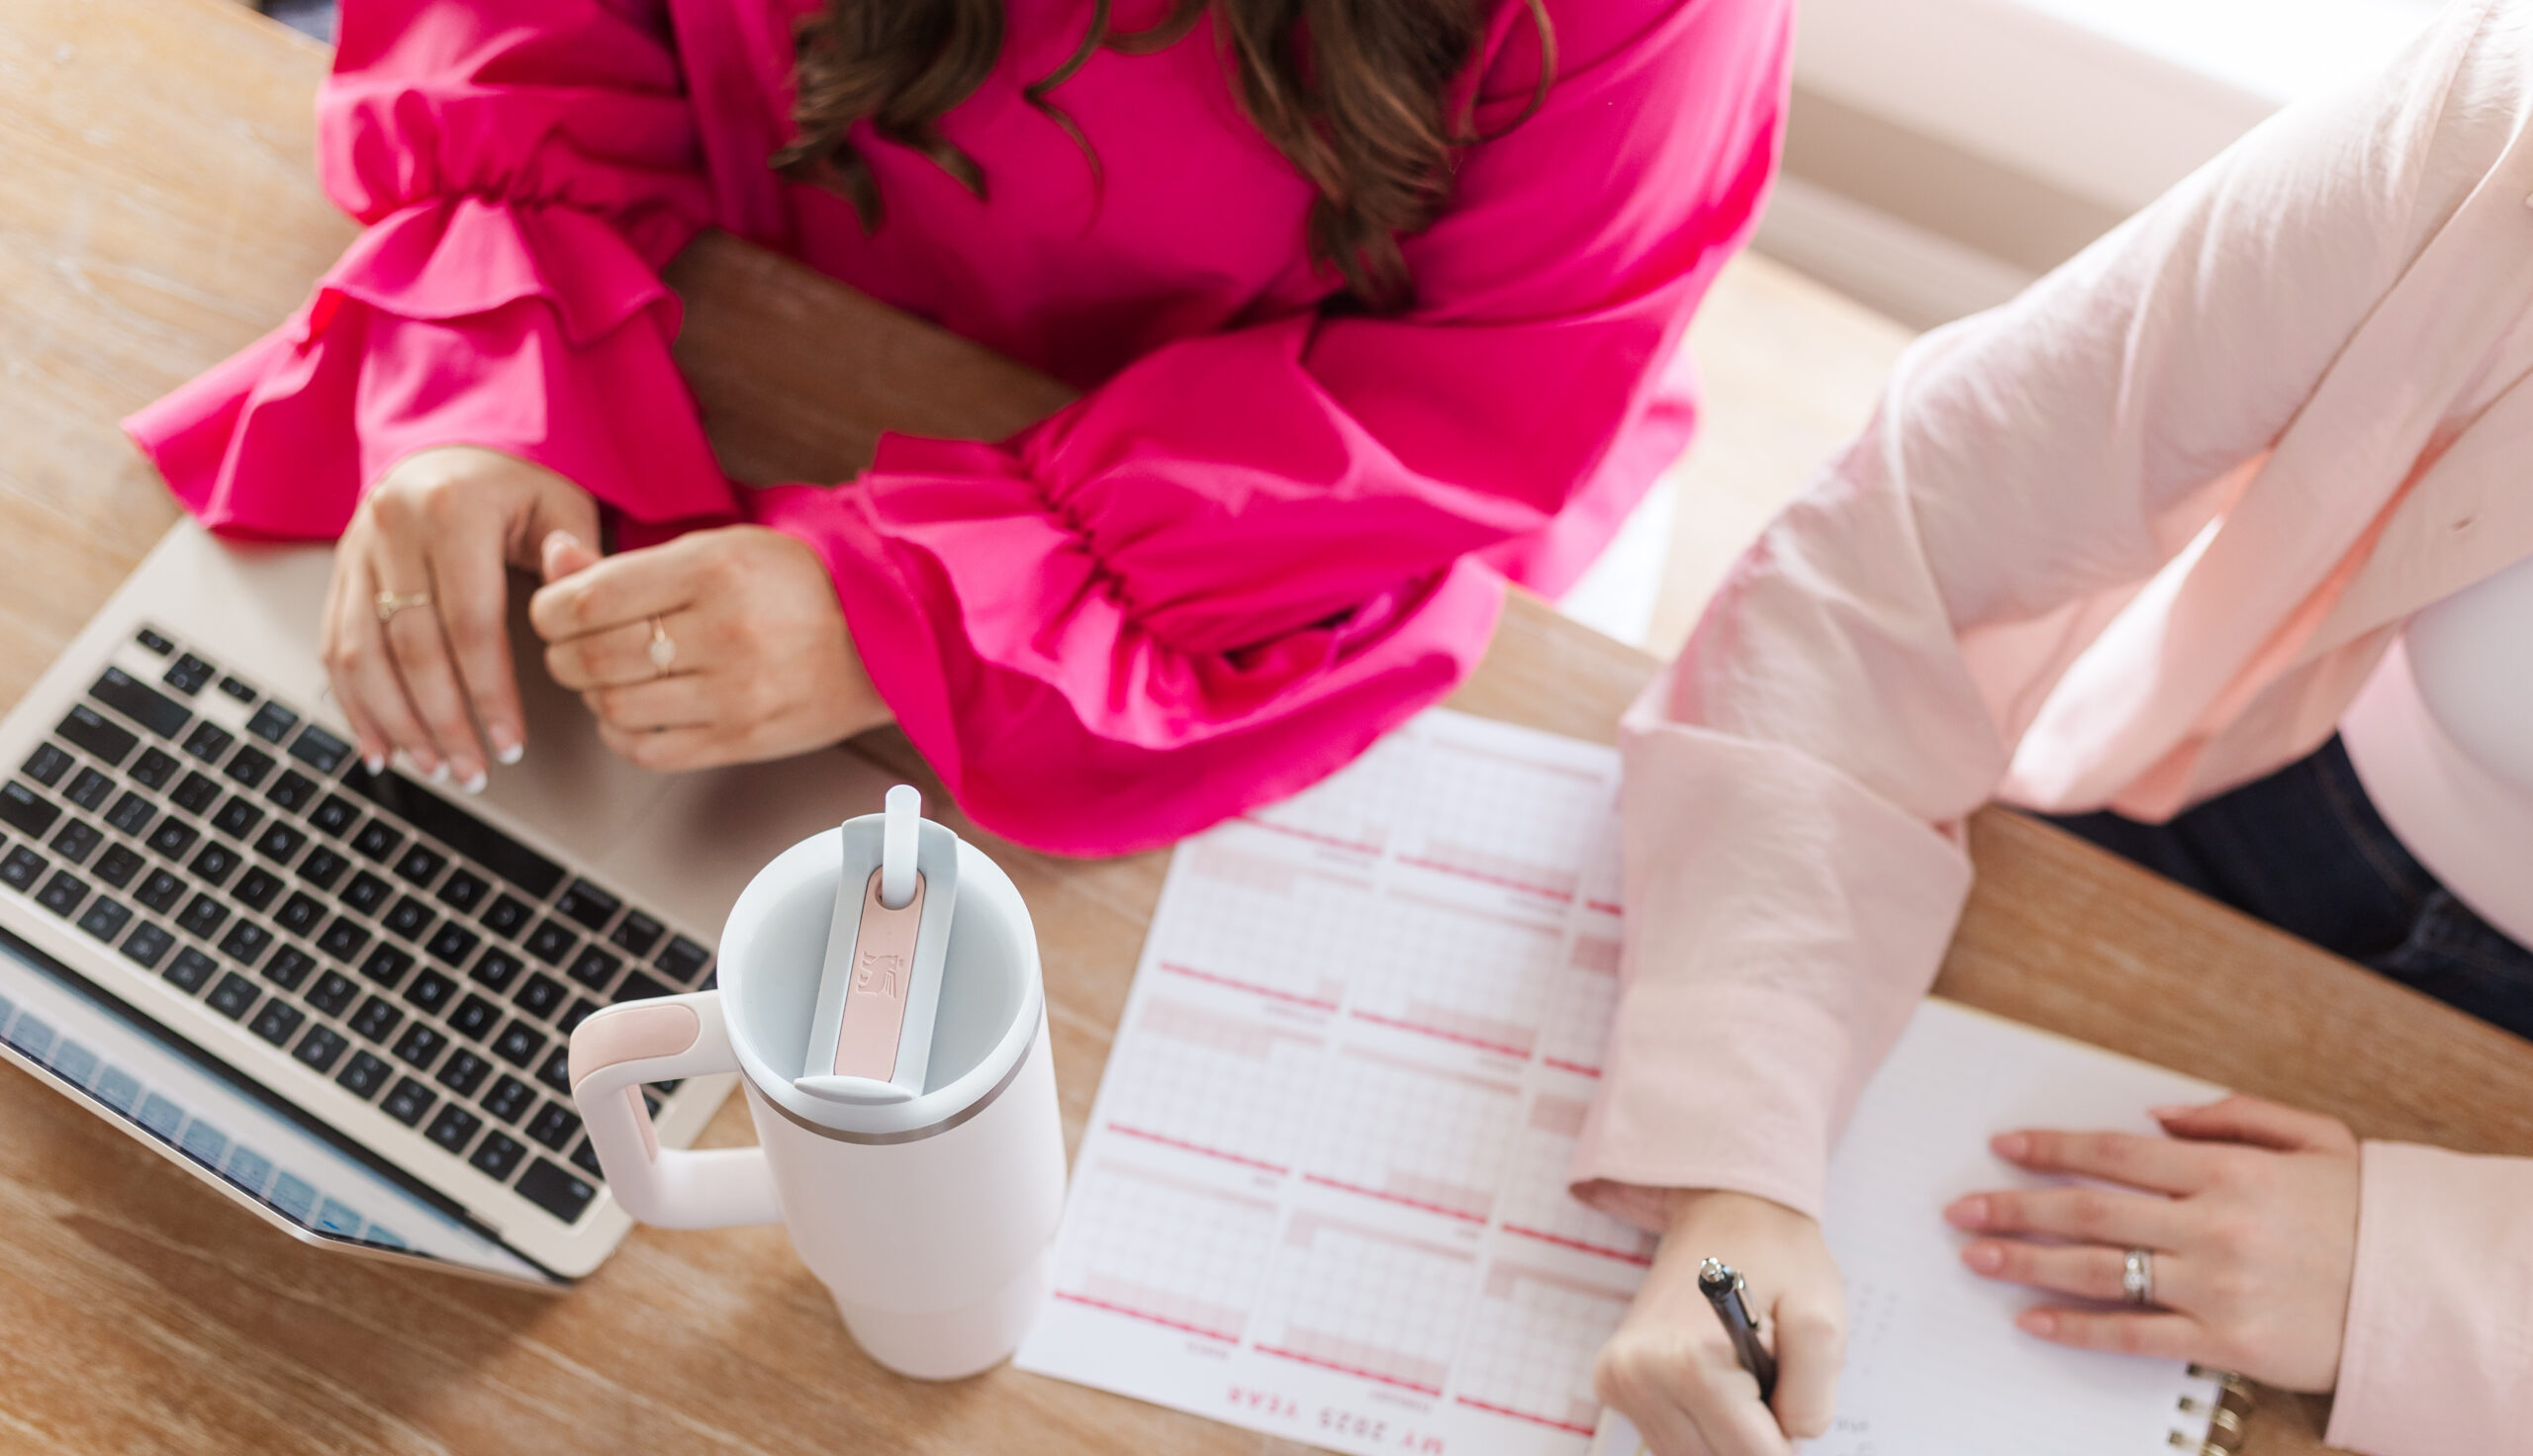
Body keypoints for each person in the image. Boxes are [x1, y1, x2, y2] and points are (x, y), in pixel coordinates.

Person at [1576, 0, 2533, 1456]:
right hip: (2262, 801)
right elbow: (1906, 548)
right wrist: (1734, 1151)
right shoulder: (2504, 133)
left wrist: (2408, 1283)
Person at [126, 0, 1790, 854]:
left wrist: (907, 605)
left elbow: (1469, 394)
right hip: (776, 291)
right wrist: (495, 350)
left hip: (1286, 509)